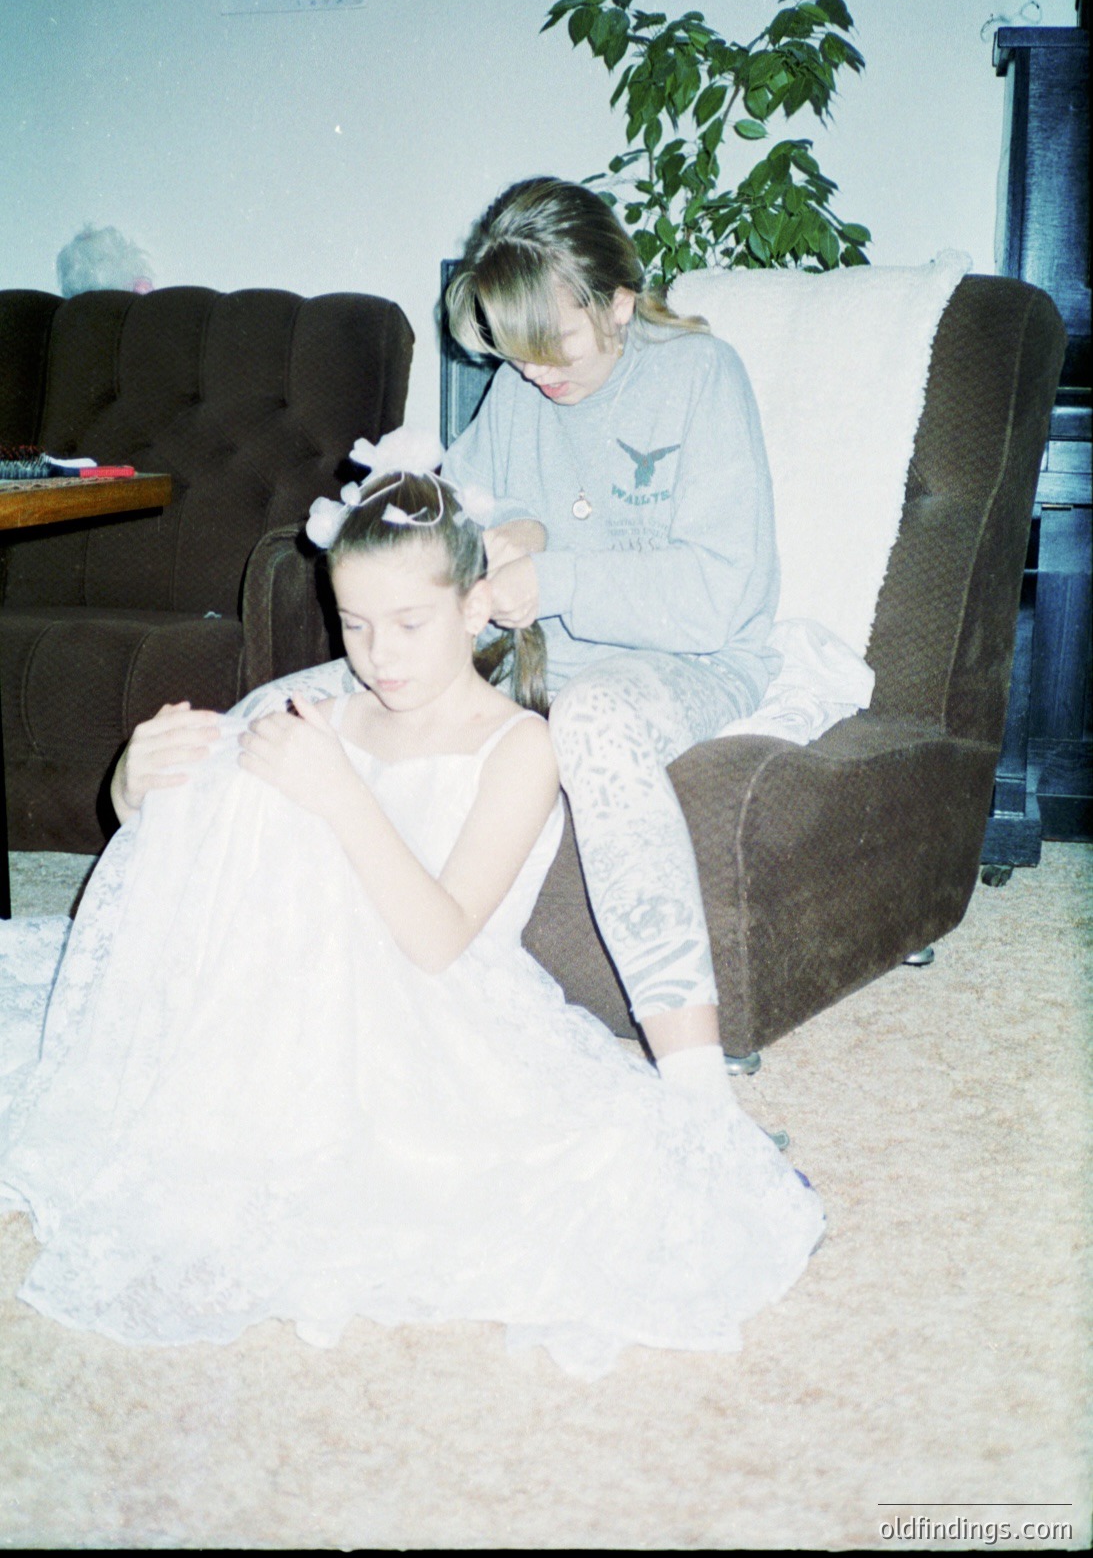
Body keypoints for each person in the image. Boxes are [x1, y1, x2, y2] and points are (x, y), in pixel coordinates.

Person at [0, 468, 822, 1378]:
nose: (377, 655)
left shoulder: (519, 746)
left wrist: (337, 789)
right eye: (353, 626)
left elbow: (438, 941)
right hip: (289, 998)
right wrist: (136, 782)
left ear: (475, 609)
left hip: (430, 1019)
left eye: (407, 625)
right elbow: (197, 853)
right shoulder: (335, 710)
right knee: (235, 776)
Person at [442, 176, 777, 1099]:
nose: (536, 373)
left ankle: (697, 1090)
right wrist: (511, 530)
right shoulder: (519, 386)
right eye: (514, 352)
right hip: (545, 665)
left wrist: (559, 576)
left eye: (556, 345)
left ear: (619, 301)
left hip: (693, 663)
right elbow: (470, 494)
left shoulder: (700, 377)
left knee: (588, 719)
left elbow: (717, 595)